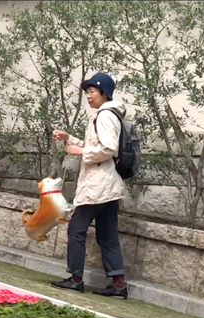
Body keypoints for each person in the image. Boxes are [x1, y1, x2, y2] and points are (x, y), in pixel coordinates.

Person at [51, 72, 129, 298]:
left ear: (104, 93)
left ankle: (76, 279)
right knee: (107, 235)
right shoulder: (110, 114)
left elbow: (108, 148)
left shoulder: (105, 115)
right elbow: (96, 145)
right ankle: (118, 283)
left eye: (92, 91)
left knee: (77, 229)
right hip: (108, 186)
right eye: (87, 92)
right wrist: (70, 139)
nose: (89, 96)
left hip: (97, 186)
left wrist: (81, 150)